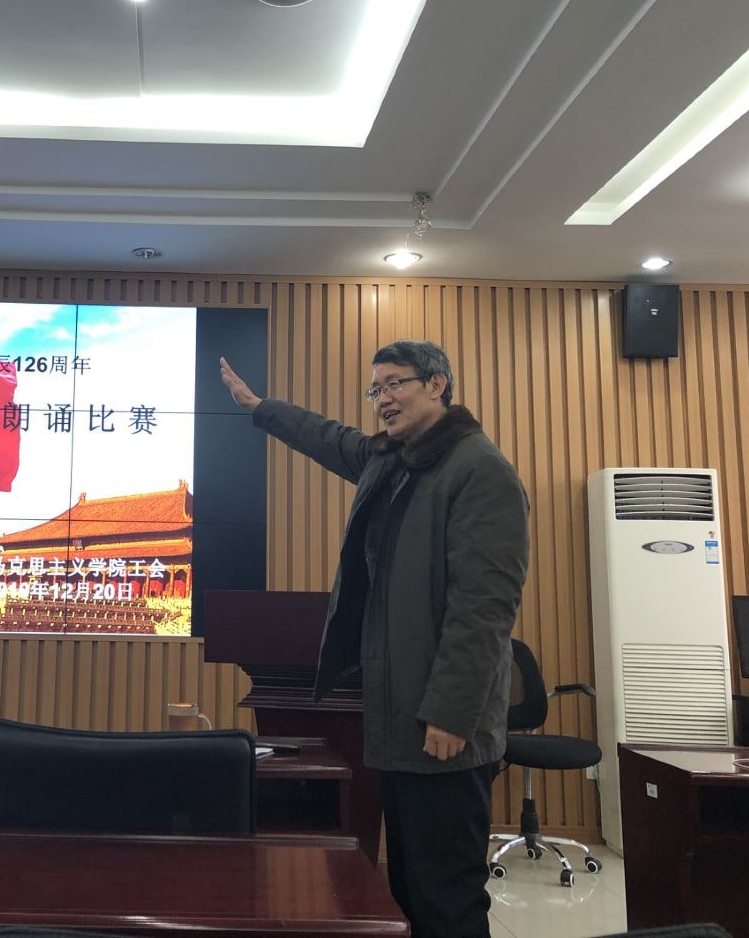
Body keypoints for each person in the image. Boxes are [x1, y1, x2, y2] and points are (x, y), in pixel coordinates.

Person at [219, 340, 528, 938]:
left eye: (394, 384)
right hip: (398, 716)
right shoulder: (392, 460)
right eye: (375, 389)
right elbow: (329, 437)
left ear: (437, 384)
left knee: (448, 895)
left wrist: (451, 712)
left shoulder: (479, 470)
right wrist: (261, 408)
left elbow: (485, 608)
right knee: (409, 886)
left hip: (444, 726)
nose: (383, 399)